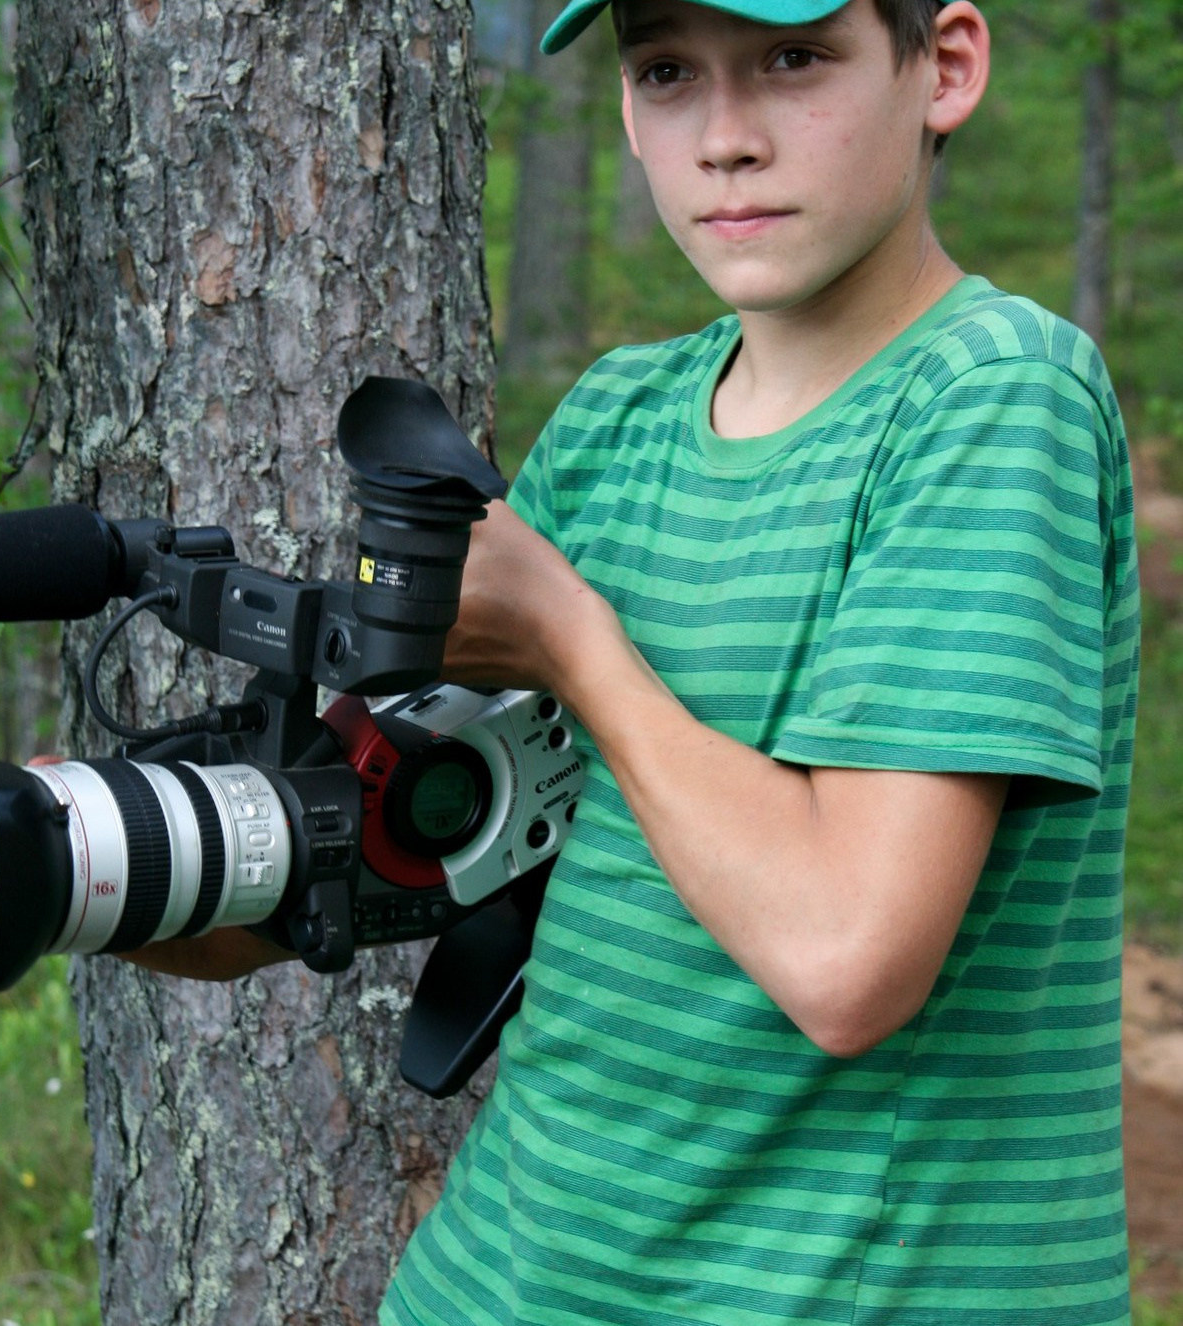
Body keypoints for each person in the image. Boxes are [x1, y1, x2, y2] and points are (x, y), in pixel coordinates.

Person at [132, 1, 1140, 1322]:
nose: (723, 137)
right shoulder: (618, 419)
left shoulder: (990, 394)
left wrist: (572, 642)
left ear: (942, 67)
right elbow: (432, 842)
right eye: (668, 71)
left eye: (792, 59)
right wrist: (122, 868)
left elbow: (848, 956)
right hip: (492, 1286)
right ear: (625, 110)